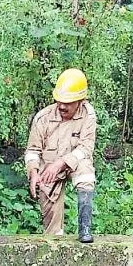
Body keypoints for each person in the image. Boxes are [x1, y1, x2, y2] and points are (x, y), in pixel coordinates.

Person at [25, 68, 97, 243]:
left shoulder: (88, 115)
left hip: (73, 163)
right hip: (48, 170)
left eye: (69, 102)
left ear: (80, 100)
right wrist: (34, 173)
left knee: (85, 169)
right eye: (59, 101)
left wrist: (61, 163)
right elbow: (32, 151)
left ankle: (85, 229)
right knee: (52, 234)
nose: (62, 106)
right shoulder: (43, 118)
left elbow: (86, 148)